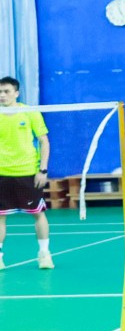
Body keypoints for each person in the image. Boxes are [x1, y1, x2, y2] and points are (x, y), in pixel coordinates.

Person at [0, 76, 52, 270]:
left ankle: (44, 254)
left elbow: (44, 141)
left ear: (16, 93)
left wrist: (43, 169)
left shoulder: (29, 112)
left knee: (38, 214)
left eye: (6, 91)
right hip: (2, 173)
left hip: (28, 172)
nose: (2, 95)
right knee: (0, 217)